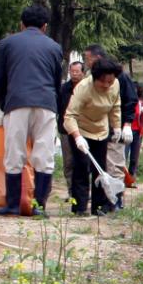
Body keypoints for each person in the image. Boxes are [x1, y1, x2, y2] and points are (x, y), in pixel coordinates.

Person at [0, 4, 63, 217]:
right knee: (44, 154)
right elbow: (56, 80)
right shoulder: (54, 47)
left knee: (14, 153)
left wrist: (5, 103)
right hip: (46, 103)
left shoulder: (7, 44)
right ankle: (39, 206)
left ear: (21, 24)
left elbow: (0, 78)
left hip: (17, 102)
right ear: (45, 26)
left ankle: (13, 205)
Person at [64, 57, 122, 216]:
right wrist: (77, 137)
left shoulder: (115, 85)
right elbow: (69, 116)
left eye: (110, 82)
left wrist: (117, 128)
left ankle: (99, 207)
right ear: (95, 78)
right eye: (102, 81)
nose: (106, 85)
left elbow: (115, 107)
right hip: (81, 130)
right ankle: (80, 208)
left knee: (100, 169)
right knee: (82, 166)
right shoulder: (83, 88)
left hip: (101, 130)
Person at [82, 44, 137, 209]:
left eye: (88, 58)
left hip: (115, 128)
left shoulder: (119, 76)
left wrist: (127, 124)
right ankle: (101, 201)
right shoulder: (89, 78)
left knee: (115, 164)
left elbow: (130, 100)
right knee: (98, 165)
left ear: (97, 58)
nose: (86, 62)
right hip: (95, 128)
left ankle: (116, 200)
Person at [57, 61, 85, 199]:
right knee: (68, 161)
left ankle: (82, 191)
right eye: (72, 71)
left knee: (82, 161)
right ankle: (71, 190)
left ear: (83, 72)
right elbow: (58, 108)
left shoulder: (87, 88)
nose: (74, 74)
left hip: (84, 130)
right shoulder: (63, 89)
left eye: (77, 71)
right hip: (65, 129)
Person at [126, 85, 143, 183]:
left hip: (137, 132)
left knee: (134, 157)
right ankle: (123, 178)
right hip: (126, 131)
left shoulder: (141, 104)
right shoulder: (125, 103)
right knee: (124, 155)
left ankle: (132, 178)